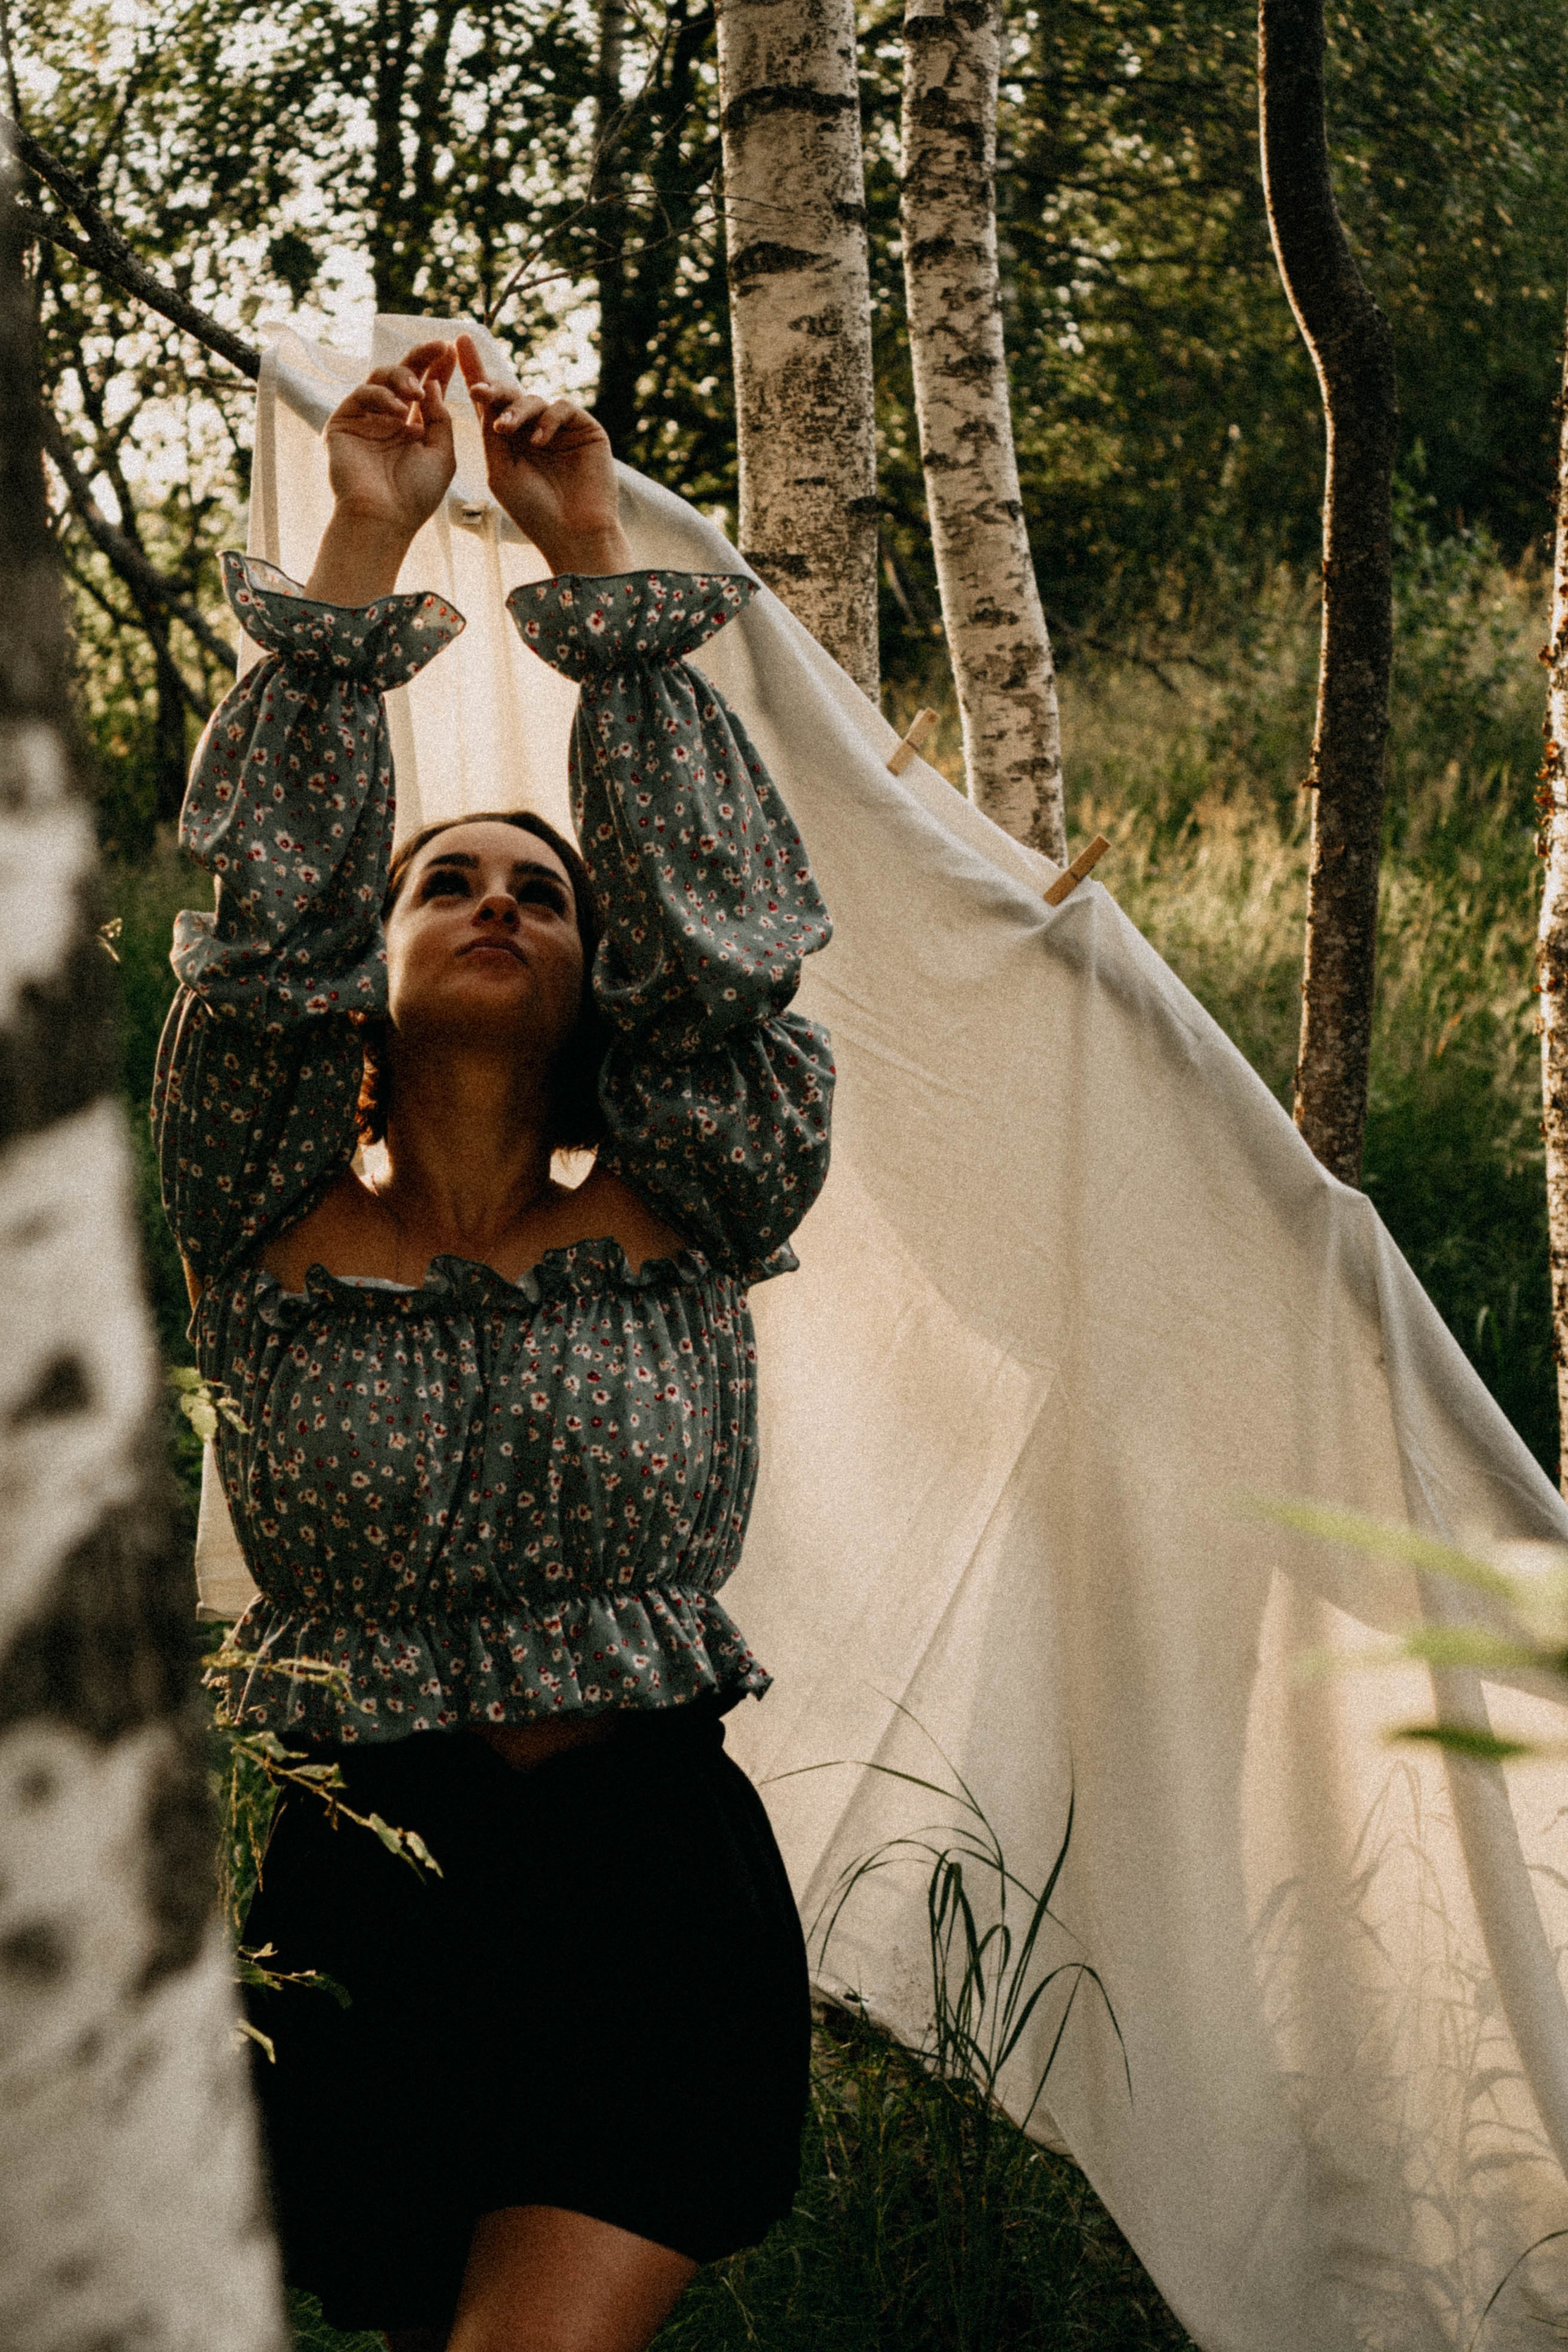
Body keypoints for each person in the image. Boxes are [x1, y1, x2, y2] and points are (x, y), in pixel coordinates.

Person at [153, 335, 835, 2352]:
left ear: (599, 974)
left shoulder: (695, 1193)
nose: (494, 899)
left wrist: (591, 557)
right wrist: (367, 541)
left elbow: (725, 943)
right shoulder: (259, 1211)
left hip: (645, 1896)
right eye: (445, 878)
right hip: (371, 1911)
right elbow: (257, 927)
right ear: (369, 976)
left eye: (542, 889)